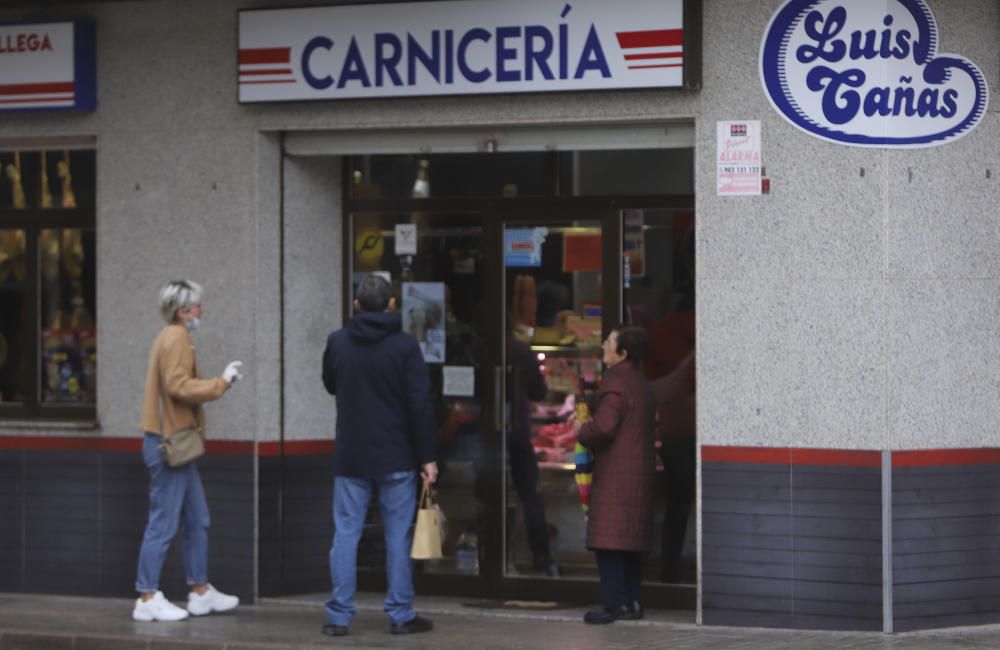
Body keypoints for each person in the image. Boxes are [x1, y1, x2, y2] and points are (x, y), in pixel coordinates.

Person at [321, 273, 438, 637]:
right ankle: (400, 614)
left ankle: (339, 616)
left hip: (352, 455)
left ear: (357, 305)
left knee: (345, 534)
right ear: (391, 305)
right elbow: (419, 405)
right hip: (397, 456)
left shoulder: (338, 342)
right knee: (397, 537)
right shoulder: (404, 347)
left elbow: (329, 384)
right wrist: (428, 457)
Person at [133, 280, 244, 622]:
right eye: (197, 306)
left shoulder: (170, 336)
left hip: (173, 444)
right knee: (163, 524)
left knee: (197, 519)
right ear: (183, 311)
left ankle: (200, 591)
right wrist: (221, 383)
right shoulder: (176, 337)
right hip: (172, 444)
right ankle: (147, 596)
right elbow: (178, 386)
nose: (201, 310)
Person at [574, 325, 655, 625]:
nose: (603, 347)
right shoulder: (640, 382)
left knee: (609, 541)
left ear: (622, 353)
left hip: (616, 475)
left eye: (608, 343)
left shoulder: (616, 383)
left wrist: (582, 430)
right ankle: (631, 602)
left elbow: (605, 427)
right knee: (631, 540)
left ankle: (612, 604)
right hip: (638, 472)